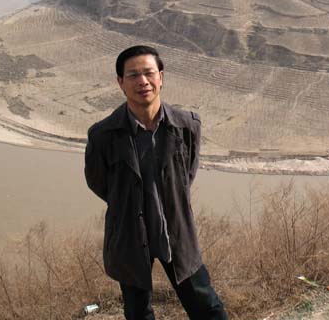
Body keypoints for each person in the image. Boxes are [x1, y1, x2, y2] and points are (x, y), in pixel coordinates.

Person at [84, 45, 228, 320]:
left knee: (207, 306)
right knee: (138, 312)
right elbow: (98, 182)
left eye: (149, 73)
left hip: (177, 230)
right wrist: (131, 202)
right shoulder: (103, 135)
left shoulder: (186, 125)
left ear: (161, 77)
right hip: (129, 235)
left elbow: (187, 174)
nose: (143, 81)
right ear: (121, 83)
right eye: (133, 75)